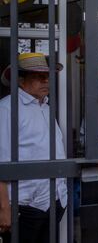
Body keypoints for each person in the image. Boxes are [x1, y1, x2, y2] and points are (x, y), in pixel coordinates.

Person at [0, 53, 67, 243]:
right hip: (24, 206)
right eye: (38, 76)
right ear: (21, 80)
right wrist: (4, 209)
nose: (46, 81)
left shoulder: (45, 107)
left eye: (47, 76)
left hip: (53, 201)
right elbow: (1, 163)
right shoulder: (6, 110)